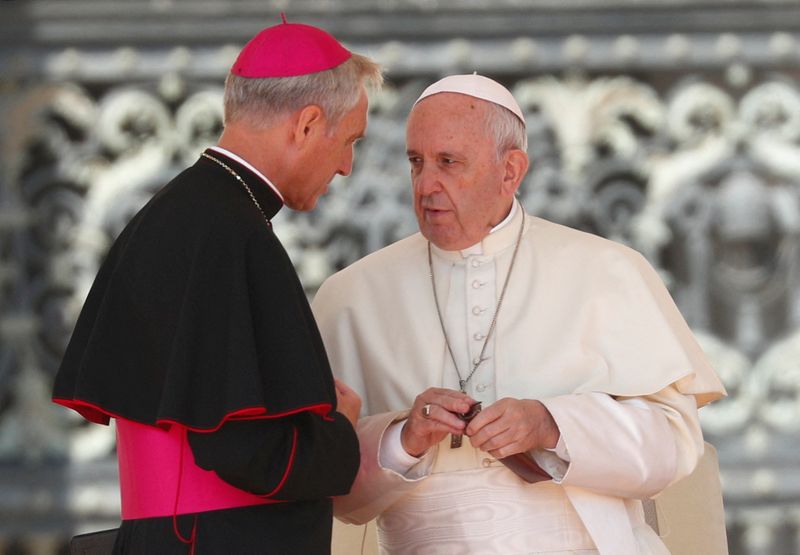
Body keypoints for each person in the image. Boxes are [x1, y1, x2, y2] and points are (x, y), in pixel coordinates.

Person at [312, 74, 726, 555]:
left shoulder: (606, 269)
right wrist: (404, 438)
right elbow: (329, 484)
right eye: (416, 162)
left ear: (510, 170)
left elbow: (673, 448)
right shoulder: (352, 295)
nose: (426, 185)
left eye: (449, 163)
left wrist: (552, 424)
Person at [52, 17, 381, 554]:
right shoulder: (231, 233)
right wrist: (338, 435)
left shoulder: (183, 212)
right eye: (348, 142)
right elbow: (247, 450)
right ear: (306, 124)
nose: (346, 166)